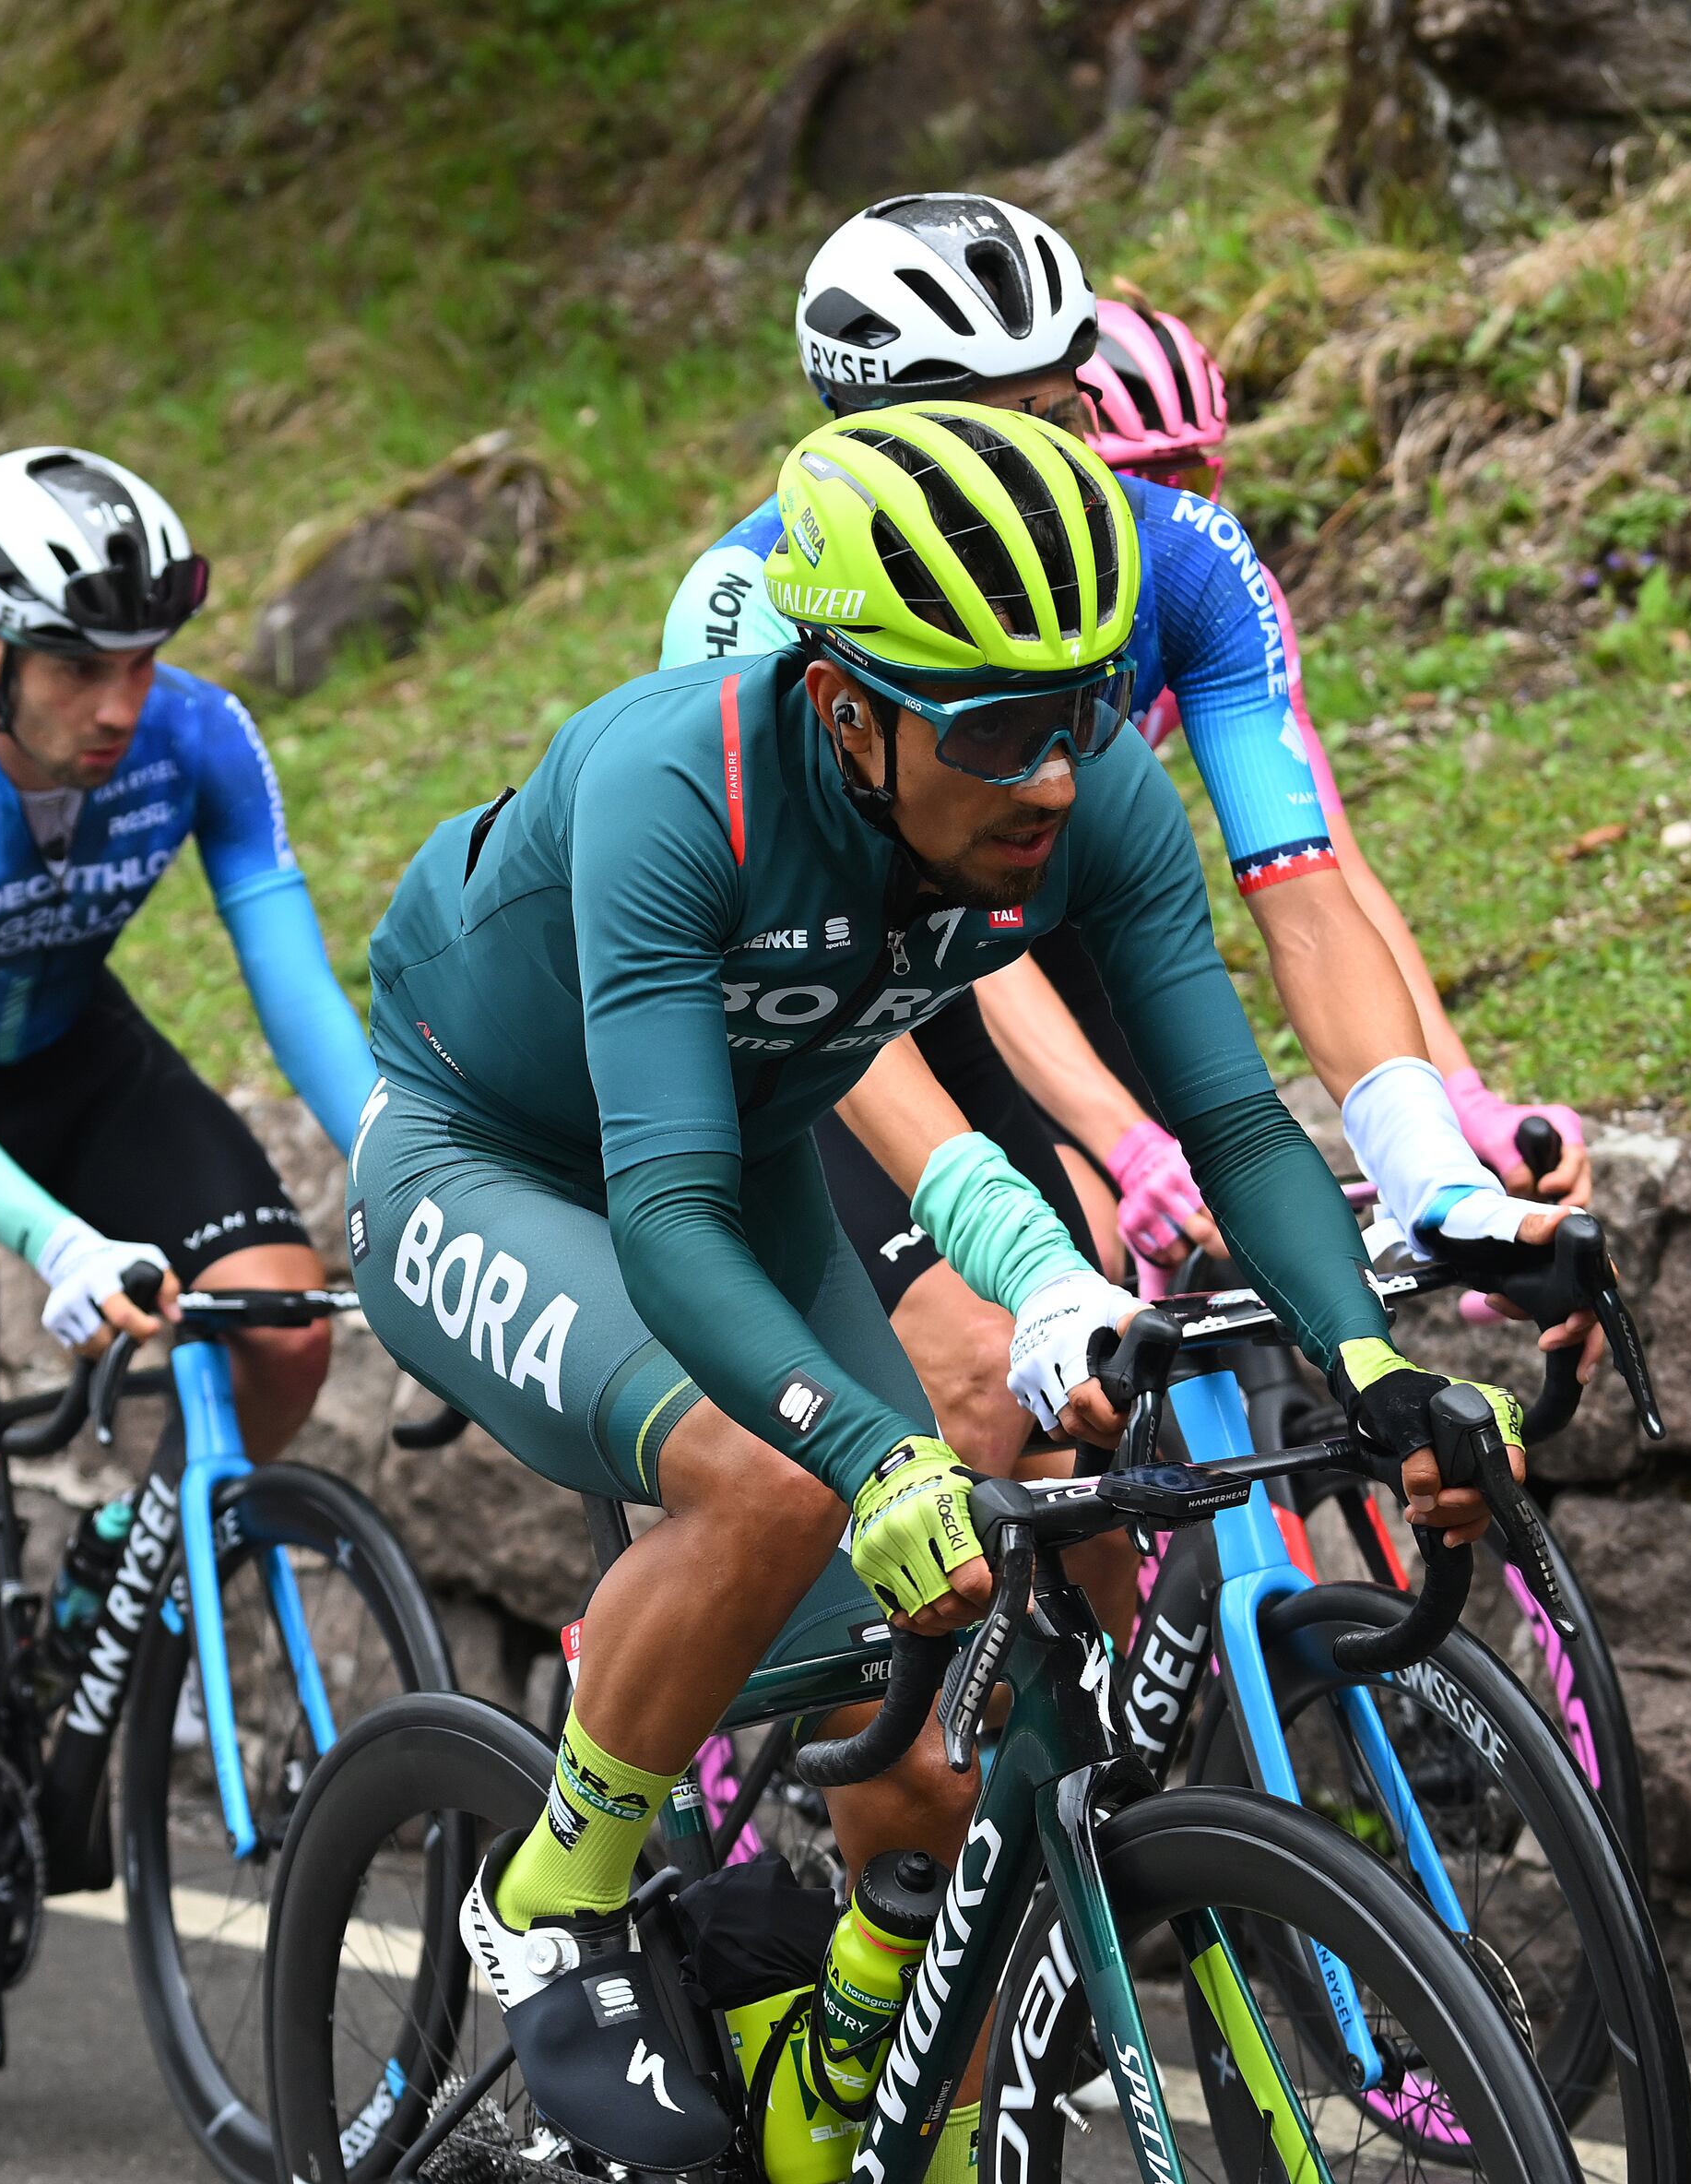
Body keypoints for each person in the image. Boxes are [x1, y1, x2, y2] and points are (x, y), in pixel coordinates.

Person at [361, 403, 1508, 2184]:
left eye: (1073, 712)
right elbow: (678, 1211)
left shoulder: (1079, 797)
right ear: (841, 709)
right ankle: (555, 1893)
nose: (1051, 773)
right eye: (990, 731)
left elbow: (1240, 1122)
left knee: (930, 1789)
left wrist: (1371, 1363)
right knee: (780, 1485)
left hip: (729, 1161)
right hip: (503, 1160)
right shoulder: (664, 782)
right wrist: (869, 1444)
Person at [658, 197, 1587, 1485]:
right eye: (1000, 431)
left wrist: (1432, 1162)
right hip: (808, 1004)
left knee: (1131, 1347)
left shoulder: (1184, 560)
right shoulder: (752, 604)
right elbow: (804, 982)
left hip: (1012, 935)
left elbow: (1304, 887)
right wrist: (1016, 1243)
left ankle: (1137, 1661)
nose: (1057, 466)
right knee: (986, 1379)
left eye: (1068, 415)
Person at [0, 446, 369, 2066]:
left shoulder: (196, 735)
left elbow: (291, 974)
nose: (119, 702)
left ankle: (133, 1552)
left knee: (278, 1329)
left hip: (76, 1050)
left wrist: (405, 1164)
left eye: (142, 659)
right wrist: (50, 1237)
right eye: (77, 665)